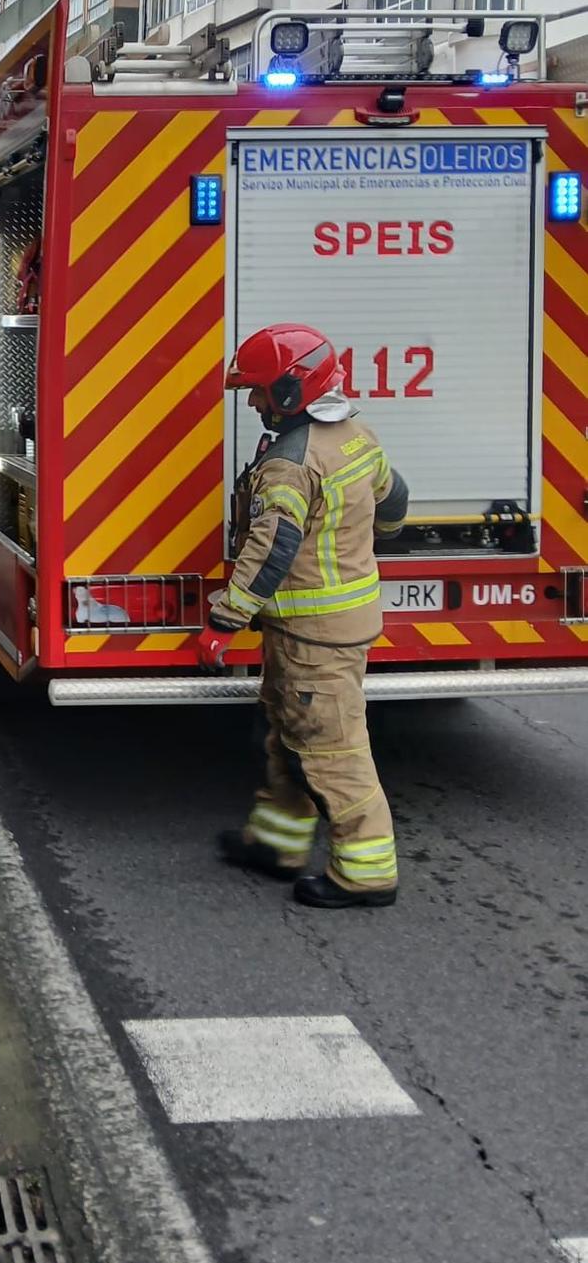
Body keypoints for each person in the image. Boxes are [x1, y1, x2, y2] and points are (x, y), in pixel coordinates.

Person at [198, 323, 409, 909]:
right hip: (322, 631)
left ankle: (366, 874)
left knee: (333, 753)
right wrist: (376, 538)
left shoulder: (292, 463)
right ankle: (277, 844)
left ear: (291, 391)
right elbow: (394, 498)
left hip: (314, 639)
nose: (252, 401)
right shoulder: (357, 437)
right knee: (290, 738)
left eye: (259, 389)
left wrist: (223, 622)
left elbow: (272, 550)